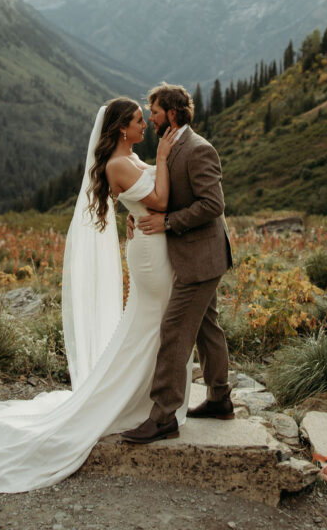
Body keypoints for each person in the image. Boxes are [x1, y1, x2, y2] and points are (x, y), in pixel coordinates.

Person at [0, 96, 188, 493]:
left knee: (154, 325)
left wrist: (135, 213)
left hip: (155, 247)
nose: (144, 125)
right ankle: (144, 402)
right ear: (120, 128)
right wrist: (163, 159)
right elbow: (161, 201)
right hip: (151, 258)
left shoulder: (130, 159)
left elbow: (138, 202)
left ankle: (154, 399)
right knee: (154, 324)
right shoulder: (118, 163)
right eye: (137, 120)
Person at [121, 82, 233, 444]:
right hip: (197, 256)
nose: (150, 119)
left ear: (171, 113)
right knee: (206, 328)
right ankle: (220, 399)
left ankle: (164, 415)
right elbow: (164, 191)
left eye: (153, 112)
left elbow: (213, 205)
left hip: (201, 258)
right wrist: (140, 211)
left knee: (174, 331)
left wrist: (167, 222)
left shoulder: (198, 149)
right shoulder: (172, 146)